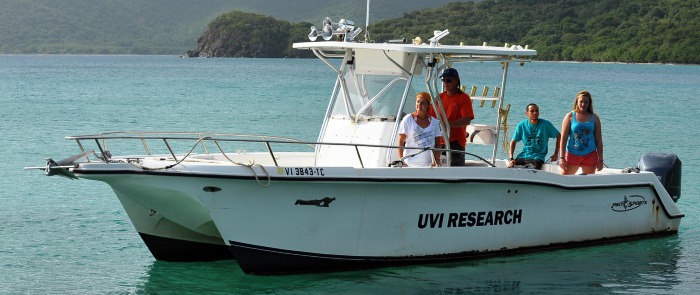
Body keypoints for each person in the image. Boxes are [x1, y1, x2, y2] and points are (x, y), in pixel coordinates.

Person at [429, 68, 474, 166]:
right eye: (443, 80)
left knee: (455, 171)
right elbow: (430, 118)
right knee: (438, 170)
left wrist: (447, 125)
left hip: (456, 142)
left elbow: (467, 120)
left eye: (448, 80)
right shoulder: (439, 98)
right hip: (438, 142)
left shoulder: (464, 98)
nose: (445, 83)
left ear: (456, 80)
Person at [559, 90, 604, 175]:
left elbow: (599, 139)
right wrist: (561, 157)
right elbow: (563, 138)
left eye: (586, 102)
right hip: (573, 153)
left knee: (588, 182)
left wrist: (600, 159)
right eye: (581, 102)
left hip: (590, 154)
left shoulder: (594, 118)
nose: (583, 104)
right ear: (577, 102)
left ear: (589, 103)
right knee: (564, 179)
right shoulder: (569, 116)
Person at [507, 103, 561, 169]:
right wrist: (511, 158)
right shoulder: (522, 125)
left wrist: (556, 154)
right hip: (523, 156)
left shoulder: (545, 124)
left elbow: (559, 136)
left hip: (538, 157)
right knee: (511, 168)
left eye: (536, 110)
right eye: (532, 111)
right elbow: (513, 142)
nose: (535, 113)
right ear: (527, 113)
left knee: (532, 169)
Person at [397, 92, 442, 167]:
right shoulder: (408, 119)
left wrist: (436, 159)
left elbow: (438, 144)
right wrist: (401, 160)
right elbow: (401, 141)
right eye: (418, 102)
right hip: (410, 164)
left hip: (429, 166)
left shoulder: (434, 122)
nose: (419, 104)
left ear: (428, 105)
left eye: (422, 103)